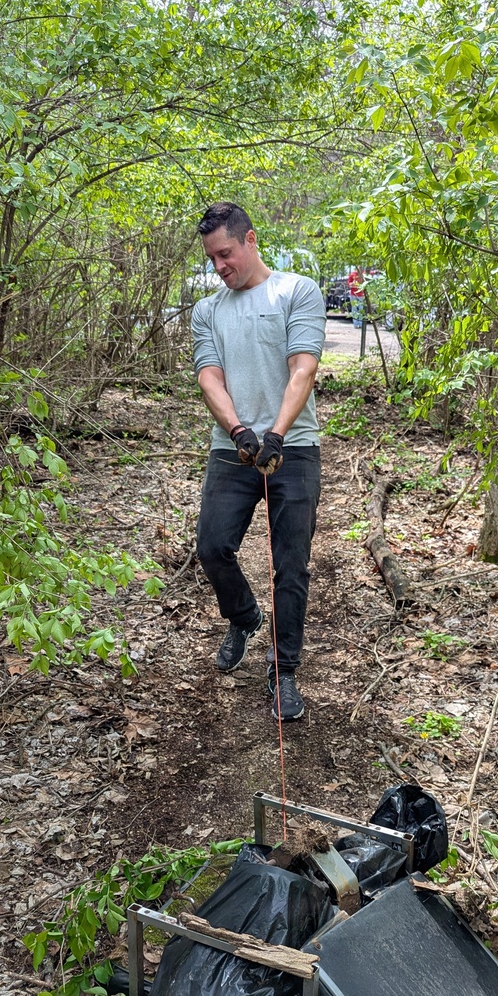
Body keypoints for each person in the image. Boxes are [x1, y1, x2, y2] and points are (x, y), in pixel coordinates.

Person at [191, 202, 326, 722]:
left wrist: (276, 434)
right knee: (212, 546)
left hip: (294, 449)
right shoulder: (209, 310)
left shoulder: (296, 290)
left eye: (225, 254)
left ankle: (283, 671)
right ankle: (244, 617)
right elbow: (210, 377)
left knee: (289, 566)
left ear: (249, 240)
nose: (219, 266)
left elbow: (304, 368)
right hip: (233, 450)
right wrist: (241, 431)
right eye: (212, 259)